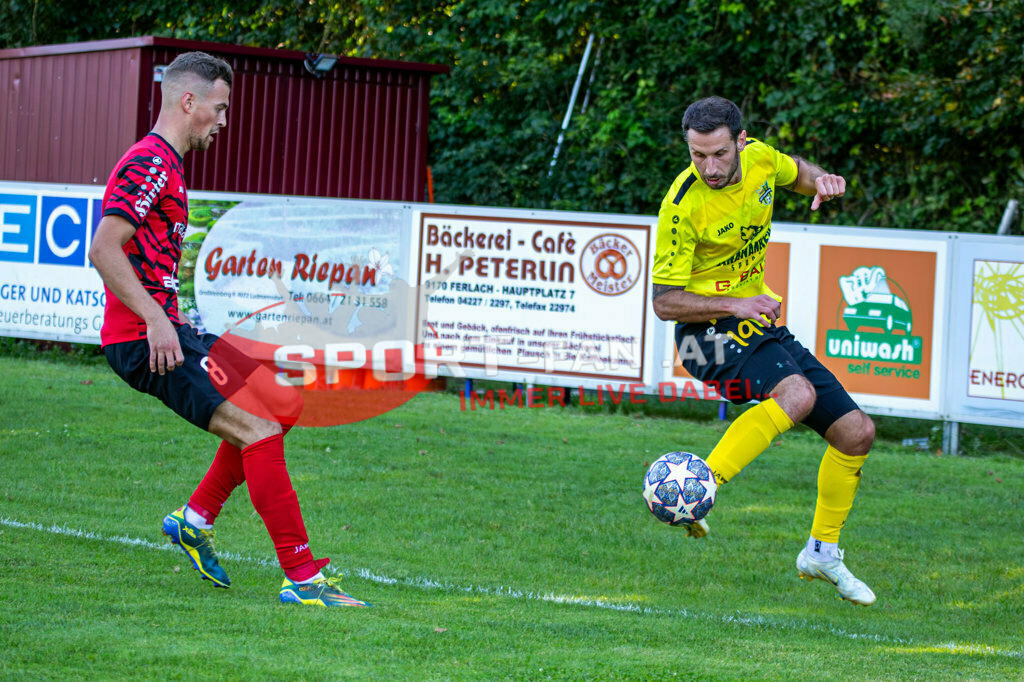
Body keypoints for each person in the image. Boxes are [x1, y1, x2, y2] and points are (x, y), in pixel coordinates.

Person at [88, 51, 367, 607]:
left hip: (166, 329)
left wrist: (168, 310)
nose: (223, 120)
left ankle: (195, 519)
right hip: (144, 345)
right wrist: (154, 319)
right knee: (258, 431)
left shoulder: (166, 163)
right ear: (187, 102)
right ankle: (303, 579)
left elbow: (141, 258)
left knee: (282, 404)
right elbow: (103, 249)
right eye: (218, 108)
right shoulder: (148, 163)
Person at [651, 96, 876, 606]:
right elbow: (664, 303)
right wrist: (737, 300)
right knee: (794, 395)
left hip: (755, 321)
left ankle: (822, 552)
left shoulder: (760, 159)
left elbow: (798, 171)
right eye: (697, 155)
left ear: (741, 142)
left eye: (718, 154)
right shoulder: (682, 205)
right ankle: (697, 492)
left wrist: (822, 180)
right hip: (702, 337)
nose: (708, 167)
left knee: (856, 432)